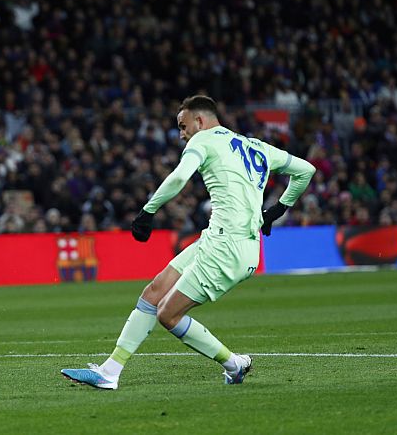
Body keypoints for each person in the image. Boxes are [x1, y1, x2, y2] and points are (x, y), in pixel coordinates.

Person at [61, 95, 315, 388]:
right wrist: (277, 210)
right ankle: (110, 371)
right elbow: (305, 170)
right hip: (222, 239)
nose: (181, 134)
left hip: (227, 248)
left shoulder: (203, 140)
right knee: (154, 292)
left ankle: (234, 363)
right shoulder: (254, 145)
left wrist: (148, 211)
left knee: (168, 314)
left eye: (183, 126)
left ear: (200, 120)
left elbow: (179, 178)